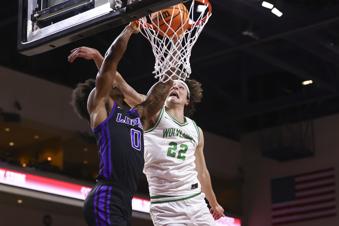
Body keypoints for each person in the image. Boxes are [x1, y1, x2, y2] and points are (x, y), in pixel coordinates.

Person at [69, 50, 224, 225]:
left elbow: (202, 171)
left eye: (182, 87)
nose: (176, 87)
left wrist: (214, 203)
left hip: (194, 198)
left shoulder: (196, 130)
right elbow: (119, 83)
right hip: (166, 203)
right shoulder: (151, 113)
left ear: (187, 100)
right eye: (173, 85)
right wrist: (99, 58)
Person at [70, 23, 173, 226]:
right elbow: (110, 66)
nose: (117, 82)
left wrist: (172, 70)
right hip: (106, 195)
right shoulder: (102, 109)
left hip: (124, 200)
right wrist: (128, 30)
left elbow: (153, 100)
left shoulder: (136, 115)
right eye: (111, 83)